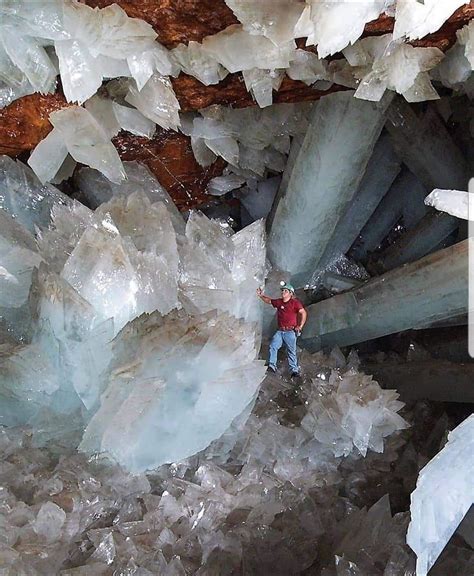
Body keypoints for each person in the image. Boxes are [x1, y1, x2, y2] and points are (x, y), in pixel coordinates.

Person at [256, 282, 307, 377]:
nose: (283, 292)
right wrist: (261, 295)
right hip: (280, 331)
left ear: (290, 293)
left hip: (290, 331)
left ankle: (294, 370)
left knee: (291, 351)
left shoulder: (295, 303)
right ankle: (272, 366)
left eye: (285, 291)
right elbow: (269, 301)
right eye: (283, 290)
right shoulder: (279, 302)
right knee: (273, 346)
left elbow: (303, 313)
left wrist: (300, 326)